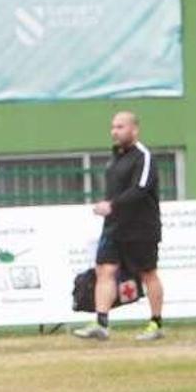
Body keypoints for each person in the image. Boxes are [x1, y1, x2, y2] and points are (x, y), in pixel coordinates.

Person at [72, 111, 165, 341]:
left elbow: (140, 189)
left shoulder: (143, 156)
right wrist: (108, 209)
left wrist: (112, 205)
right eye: (113, 127)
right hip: (114, 228)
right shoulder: (115, 158)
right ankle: (101, 323)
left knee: (148, 273)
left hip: (141, 228)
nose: (115, 131)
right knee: (105, 270)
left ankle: (156, 323)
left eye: (121, 126)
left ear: (134, 129)